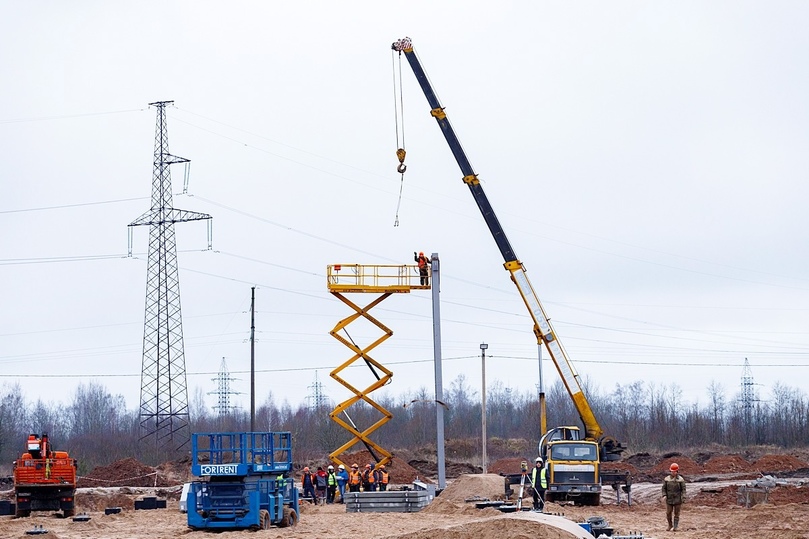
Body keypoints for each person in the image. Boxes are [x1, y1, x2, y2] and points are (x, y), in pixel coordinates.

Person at [661, 462, 686, 531]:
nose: (673, 472)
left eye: (674, 471)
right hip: (669, 499)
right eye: (672, 471)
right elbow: (664, 488)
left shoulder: (680, 480)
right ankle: (670, 525)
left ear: (677, 471)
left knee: (676, 514)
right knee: (668, 513)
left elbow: (683, 489)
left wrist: (683, 497)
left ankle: (675, 526)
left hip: (678, 499)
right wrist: (664, 495)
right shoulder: (667, 479)